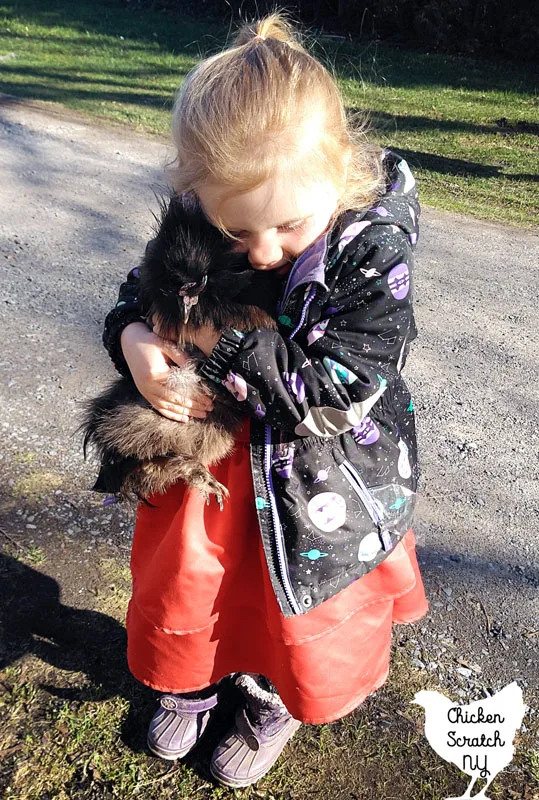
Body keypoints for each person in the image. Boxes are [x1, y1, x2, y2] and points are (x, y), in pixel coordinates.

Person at [101, 12, 428, 789]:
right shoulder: (205, 217)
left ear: (338, 169)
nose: (264, 250)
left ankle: (265, 698)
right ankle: (192, 681)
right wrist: (133, 342)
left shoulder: (372, 257)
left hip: (317, 488)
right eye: (235, 229)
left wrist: (217, 338)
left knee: (293, 614)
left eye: (287, 226)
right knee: (196, 588)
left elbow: (336, 394)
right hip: (209, 479)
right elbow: (138, 294)